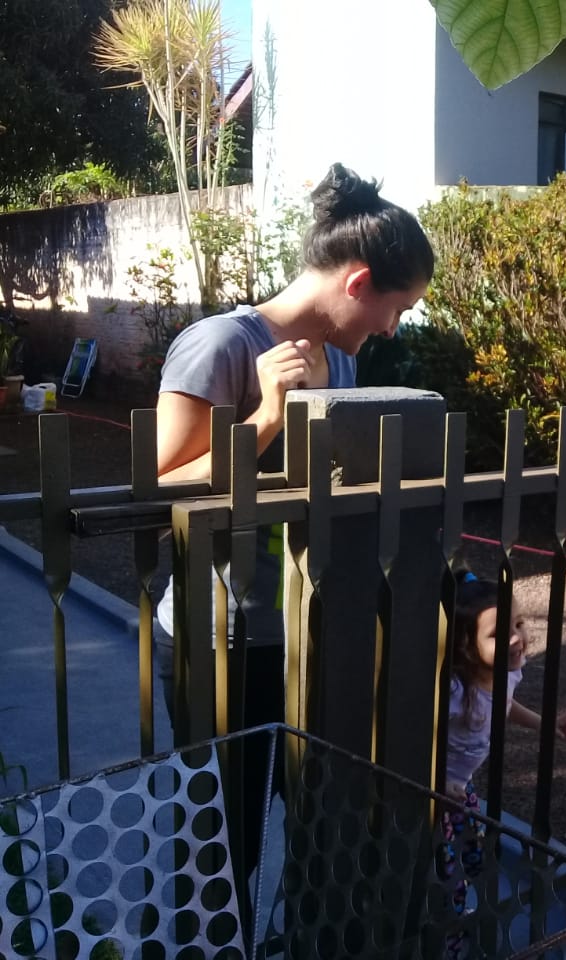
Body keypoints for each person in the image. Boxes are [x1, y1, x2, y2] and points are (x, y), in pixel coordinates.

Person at [152, 162, 434, 882]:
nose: (392, 328)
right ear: (358, 282)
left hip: (310, 634)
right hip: (223, 640)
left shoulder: (339, 363)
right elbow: (160, 485)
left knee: (321, 825)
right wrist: (268, 416)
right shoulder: (221, 345)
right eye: (396, 308)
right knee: (222, 848)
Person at [439, 570, 566, 955]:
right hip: (438, 794)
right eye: (498, 634)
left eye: (519, 624)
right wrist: (437, 781)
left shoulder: (506, 672)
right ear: (467, 646)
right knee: (447, 875)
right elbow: (418, 734)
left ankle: (468, 914)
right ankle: (449, 937)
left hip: (463, 788)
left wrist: (546, 723)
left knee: (477, 857)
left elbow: (504, 704)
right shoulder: (455, 691)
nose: (517, 638)